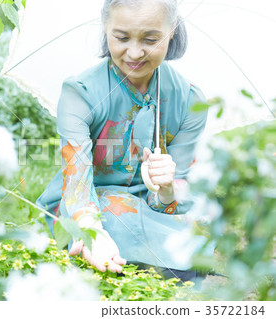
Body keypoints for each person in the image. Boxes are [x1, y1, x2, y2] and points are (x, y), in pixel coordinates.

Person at [36, 0, 214, 280]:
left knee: (197, 235)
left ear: (172, 31)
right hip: (86, 204)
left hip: (152, 208)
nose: (134, 52)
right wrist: (91, 229)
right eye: (121, 37)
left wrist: (167, 187)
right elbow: (77, 181)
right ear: (105, 29)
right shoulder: (79, 93)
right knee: (121, 227)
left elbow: (180, 192)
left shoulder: (190, 100)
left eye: (151, 39)